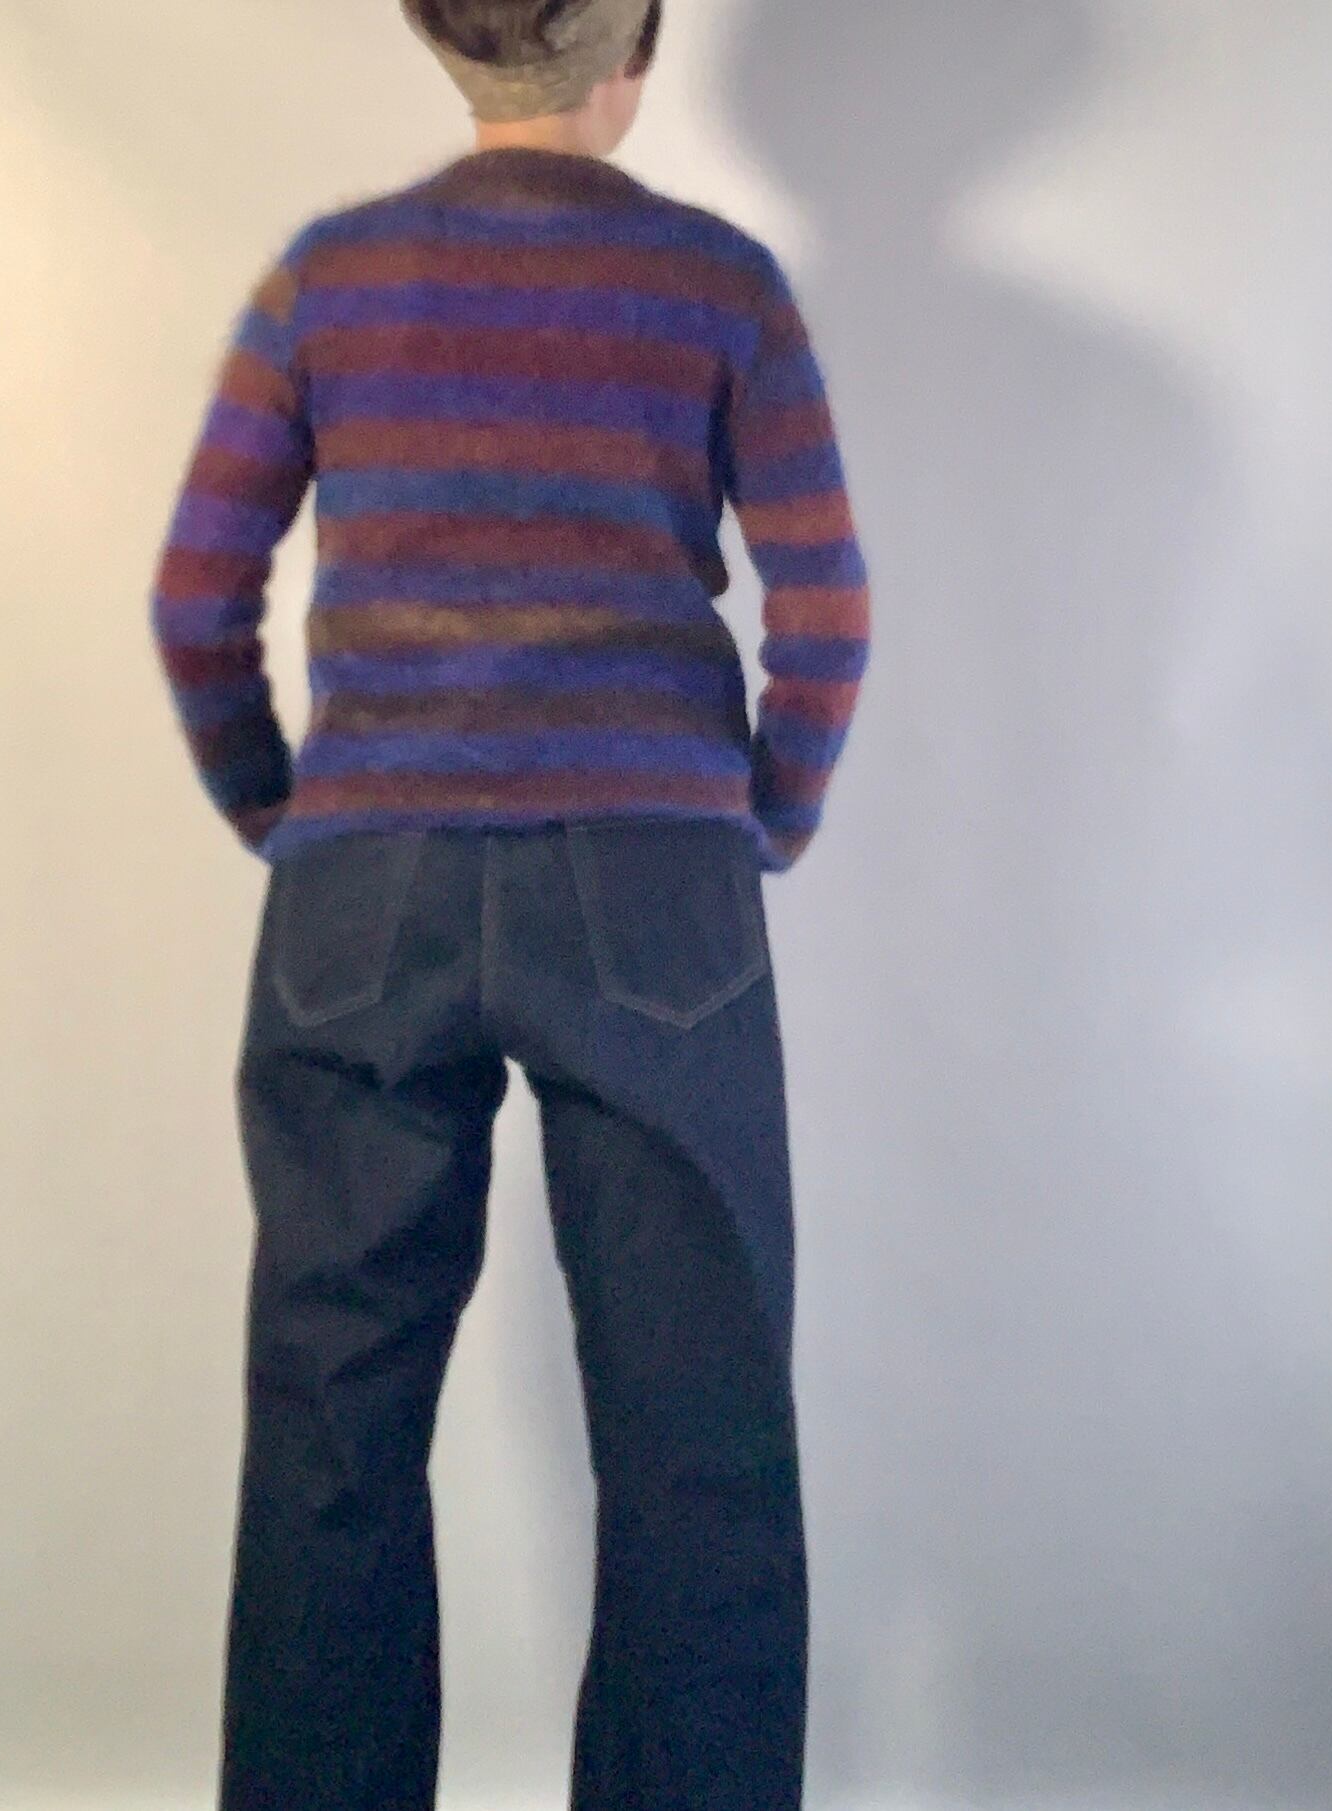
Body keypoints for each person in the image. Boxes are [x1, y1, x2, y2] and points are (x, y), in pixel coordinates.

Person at [147, 2, 871, 1806]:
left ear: (430, 29)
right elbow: (828, 611)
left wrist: (281, 807)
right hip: (654, 884)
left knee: (331, 1426)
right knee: (698, 1429)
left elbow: (195, 597)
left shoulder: (327, 280)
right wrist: (762, 818)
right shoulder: (720, 286)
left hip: (364, 886)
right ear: (636, 41)